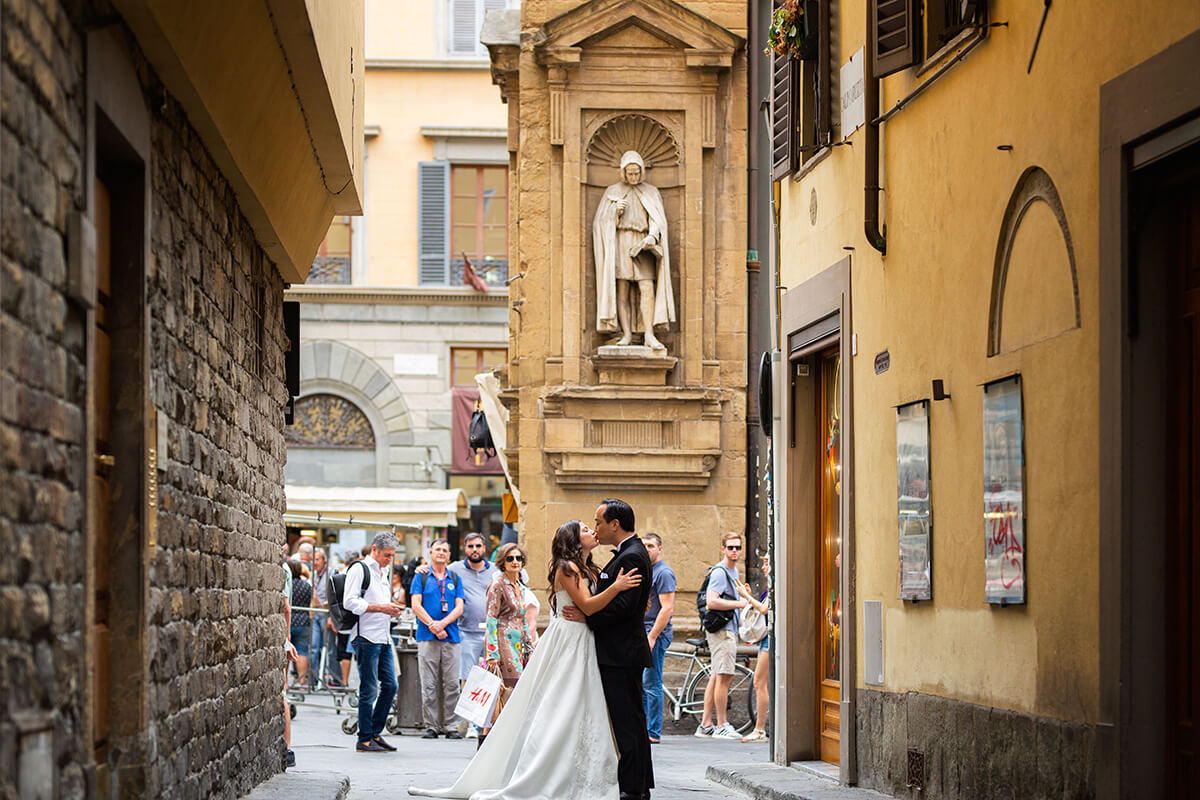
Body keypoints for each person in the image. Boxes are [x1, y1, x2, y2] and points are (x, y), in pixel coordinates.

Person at [408, 520, 642, 800]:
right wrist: (617, 587)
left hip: (582, 637)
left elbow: (590, 607)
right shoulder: (567, 567)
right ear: (574, 539)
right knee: (560, 701)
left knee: (582, 702)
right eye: (585, 529)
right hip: (568, 639)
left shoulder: (588, 567)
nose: (592, 530)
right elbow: (589, 605)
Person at [592, 151, 675, 352]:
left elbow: (658, 220)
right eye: (630, 174)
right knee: (623, 289)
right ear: (623, 172)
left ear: (642, 172)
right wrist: (614, 212)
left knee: (647, 287)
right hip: (620, 240)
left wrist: (652, 236)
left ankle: (649, 334)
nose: (634, 178)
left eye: (637, 173)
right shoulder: (613, 191)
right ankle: (627, 334)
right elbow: (599, 223)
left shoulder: (651, 191)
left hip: (642, 242)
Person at [343, 531, 404, 753]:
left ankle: (375, 732)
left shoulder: (383, 571)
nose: (390, 560)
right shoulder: (359, 570)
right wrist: (382, 608)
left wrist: (392, 607)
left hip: (382, 635)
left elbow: (379, 600)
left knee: (391, 685)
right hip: (366, 636)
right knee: (369, 689)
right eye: (387, 555)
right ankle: (364, 738)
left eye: (392, 556)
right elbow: (350, 601)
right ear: (374, 550)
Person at [478, 543, 534, 749]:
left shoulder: (520, 585)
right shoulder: (498, 584)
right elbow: (491, 619)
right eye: (510, 558)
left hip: (519, 644)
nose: (515, 562)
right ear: (503, 562)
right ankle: (491, 742)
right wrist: (492, 652)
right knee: (508, 690)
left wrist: (529, 642)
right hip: (503, 642)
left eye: (518, 558)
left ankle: (494, 740)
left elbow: (523, 618)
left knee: (508, 693)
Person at [695, 532, 748, 740]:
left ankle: (706, 724)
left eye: (738, 548)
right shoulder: (720, 572)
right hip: (721, 631)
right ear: (723, 549)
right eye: (731, 547)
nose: (735, 551)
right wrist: (739, 604)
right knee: (725, 677)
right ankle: (721, 724)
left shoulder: (733, 572)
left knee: (717, 676)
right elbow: (712, 601)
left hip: (727, 629)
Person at [411, 539, 465, 739]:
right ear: (431, 553)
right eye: (438, 550)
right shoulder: (422, 577)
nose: (441, 553)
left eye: (445, 550)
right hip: (427, 636)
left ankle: (451, 725)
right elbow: (416, 605)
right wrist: (433, 625)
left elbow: (459, 607)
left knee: (452, 683)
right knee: (429, 683)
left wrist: (442, 625)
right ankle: (431, 725)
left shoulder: (455, 578)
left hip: (451, 637)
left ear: (449, 555)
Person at [640, 532, 676, 744]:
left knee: (652, 683)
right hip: (643, 632)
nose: (647, 549)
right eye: (644, 545)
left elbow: (667, 608)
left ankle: (653, 732)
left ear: (659, 549)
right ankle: (645, 728)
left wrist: (652, 636)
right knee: (644, 684)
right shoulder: (647, 570)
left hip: (656, 633)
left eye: (651, 546)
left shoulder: (664, 573)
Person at [738, 555, 771, 743]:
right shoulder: (771, 586)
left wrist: (747, 596)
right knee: (761, 683)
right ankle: (759, 728)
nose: (763, 567)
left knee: (759, 682)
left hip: (770, 640)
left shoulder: (775, 585)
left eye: (767, 563)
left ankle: (759, 730)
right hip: (766, 639)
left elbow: (765, 610)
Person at [288, 561, 313, 688]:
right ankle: (302, 682)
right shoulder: (306, 586)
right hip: (303, 621)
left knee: (287, 650)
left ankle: (285, 682)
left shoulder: (288, 585)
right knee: (302, 652)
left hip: (290, 620)